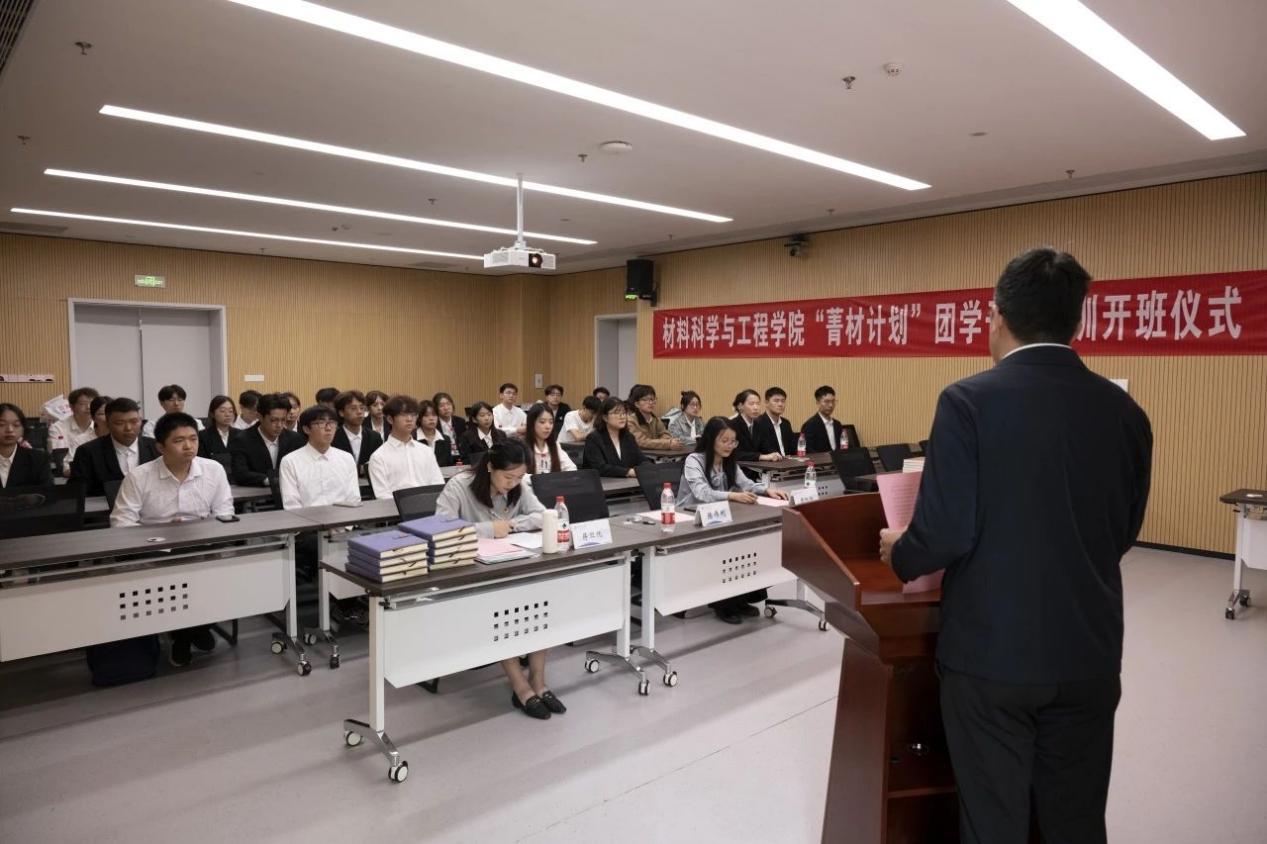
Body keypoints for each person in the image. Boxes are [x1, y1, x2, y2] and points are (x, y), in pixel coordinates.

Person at [879, 248, 1152, 844]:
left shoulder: (967, 402)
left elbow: (946, 532)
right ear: (1077, 320)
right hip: (1089, 652)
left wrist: (900, 550)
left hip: (991, 657)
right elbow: (1122, 531)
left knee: (994, 820)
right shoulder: (1125, 412)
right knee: (1076, 820)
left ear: (996, 314)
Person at [435, 440, 564, 720]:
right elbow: (441, 530)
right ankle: (520, 687)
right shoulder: (459, 486)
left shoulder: (518, 484)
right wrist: (488, 529)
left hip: (512, 563)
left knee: (543, 598)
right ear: (490, 467)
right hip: (471, 575)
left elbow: (541, 515)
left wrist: (512, 525)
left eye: (519, 477)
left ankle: (538, 681)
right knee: (504, 605)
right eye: (508, 477)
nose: (513, 483)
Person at [111, 411, 233, 667]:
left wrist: (198, 531)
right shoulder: (139, 476)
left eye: (193, 439)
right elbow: (121, 523)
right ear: (160, 447)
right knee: (176, 578)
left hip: (202, 546)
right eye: (179, 441)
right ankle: (189, 633)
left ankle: (188, 632)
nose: (188, 446)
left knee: (224, 572)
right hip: (155, 551)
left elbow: (224, 512)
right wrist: (162, 536)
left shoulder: (213, 470)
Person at [678, 416, 789, 624]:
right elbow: (702, 493)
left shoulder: (729, 461)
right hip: (691, 520)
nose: (729, 446)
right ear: (711, 439)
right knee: (727, 547)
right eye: (724, 441)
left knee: (747, 542)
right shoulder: (694, 460)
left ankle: (740, 598)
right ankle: (723, 604)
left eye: (733, 441)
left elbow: (746, 484)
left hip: (719, 517)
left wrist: (767, 490)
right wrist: (732, 496)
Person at [70, 397, 158, 496]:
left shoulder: (157, 447)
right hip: (104, 505)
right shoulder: (88, 452)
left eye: (134, 422)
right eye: (120, 423)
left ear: (141, 421)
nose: (128, 428)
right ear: (108, 424)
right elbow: (77, 494)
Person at [279, 405, 361, 508]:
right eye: (321, 423)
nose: (328, 428)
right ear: (306, 429)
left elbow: (354, 499)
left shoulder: (346, 458)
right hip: (306, 517)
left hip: (343, 516)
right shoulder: (290, 462)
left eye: (332, 423)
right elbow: (292, 505)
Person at [368, 395, 444, 499]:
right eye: (403, 414)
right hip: (395, 508)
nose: (409, 419)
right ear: (390, 419)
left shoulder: (426, 451)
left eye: (413, 415)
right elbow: (383, 495)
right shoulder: (378, 457)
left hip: (429, 506)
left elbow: (438, 484)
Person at [228, 393, 304, 486]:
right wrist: (268, 480)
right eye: (273, 420)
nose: (279, 425)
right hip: (255, 492)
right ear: (260, 417)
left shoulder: (295, 439)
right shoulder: (242, 440)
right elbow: (240, 473)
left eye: (283, 420)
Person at [582, 398, 649, 478]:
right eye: (617, 413)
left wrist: (647, 468)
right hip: (603, 483)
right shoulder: (594, 439)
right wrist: (628, 472)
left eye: (624, 413)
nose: (622, 417)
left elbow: (642, 460)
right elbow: (599, 468)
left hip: (627, 483)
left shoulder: (628, 437)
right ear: (605, 417)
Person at [0, 403, 53, 489]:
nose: (10, 430)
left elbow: (47, 494)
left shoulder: (38, 460)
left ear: (23, 429)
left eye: (16, 425)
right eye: (1, 424)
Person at [332, 390, 382, 475]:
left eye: (362, 408)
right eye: (353, 408)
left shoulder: (374, 437)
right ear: (341, 412)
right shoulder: (333, 438)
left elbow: (378, 466)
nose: (359, 412)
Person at [50, 387, 99, 467]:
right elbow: (59, 457)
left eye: (92, 403)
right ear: (72, 407)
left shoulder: (101, 426)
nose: (88, 407)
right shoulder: (58, 427)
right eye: (83, 404)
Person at [729, 389, 781, 463]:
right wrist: (760, 456)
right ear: (740, 406)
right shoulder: (732, 425)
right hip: (738, 467)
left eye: (758, 404)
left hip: (757, 467)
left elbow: (765, 446)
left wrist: (774, 453)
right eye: (751, 404)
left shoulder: (759, 425)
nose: (756, 408)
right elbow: (734, 453)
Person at [524, 402, 575, 474]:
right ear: (531, 423)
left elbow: (571, 468)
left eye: (551, 422)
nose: (548, 426)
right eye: (542, 422)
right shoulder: (521, 447)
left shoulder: (555, 445)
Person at [626, 384, 681, 450]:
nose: (651, 402)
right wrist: (667, 443)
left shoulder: (655, 419)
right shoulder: (630, 420)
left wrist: (669, 442)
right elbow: (641, 442)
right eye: (646, 400)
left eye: (653, 399)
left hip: (656, 453)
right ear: (637, 404)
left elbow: (666, 434)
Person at [800, 385, 847, 453]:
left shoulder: (837, 424)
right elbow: (809, 451)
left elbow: (843, 447)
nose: (831, 405)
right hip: (820, 459)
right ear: (818, 403)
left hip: (838, 459)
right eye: (826, 401)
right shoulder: (809, 426)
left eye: (833, 401)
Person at [753, 387, 796, 457]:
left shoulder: (786, 423)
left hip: (788, 461)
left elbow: (792, 449)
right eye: (776, 401)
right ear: (766, 403)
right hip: (768, 462)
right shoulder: (757, 423)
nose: (780, 404)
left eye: (783, 401)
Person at [415, 400, 455, 467]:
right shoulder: (412, 438)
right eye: (426, 415)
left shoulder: (445, 439)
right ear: (419, 418)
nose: (431, 418)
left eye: (434, 415)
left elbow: (449, 466)